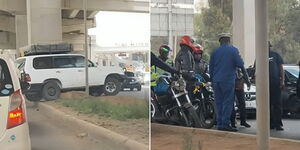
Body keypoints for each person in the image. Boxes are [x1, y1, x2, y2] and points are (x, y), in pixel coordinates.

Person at [209, 33, 247, 132]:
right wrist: (246, 79)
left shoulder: (215, 52)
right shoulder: (233, 50)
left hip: (216, 81)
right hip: (227, 80)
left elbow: (211, 68)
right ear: (229, 40)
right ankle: (225, 124)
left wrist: (212, 81)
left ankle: (220, 123)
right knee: (227, 102)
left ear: (220, 41)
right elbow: (240, 64)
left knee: (219, 103)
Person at [268, 42, 285, 131]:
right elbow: (256, 70)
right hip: (264, 85)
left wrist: (282, 80)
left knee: (277, 104)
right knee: (267, 104)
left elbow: (281, 68)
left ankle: (278, 124)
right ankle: (270, 123)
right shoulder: (259, 56)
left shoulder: (275, 55)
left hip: (275, 83)